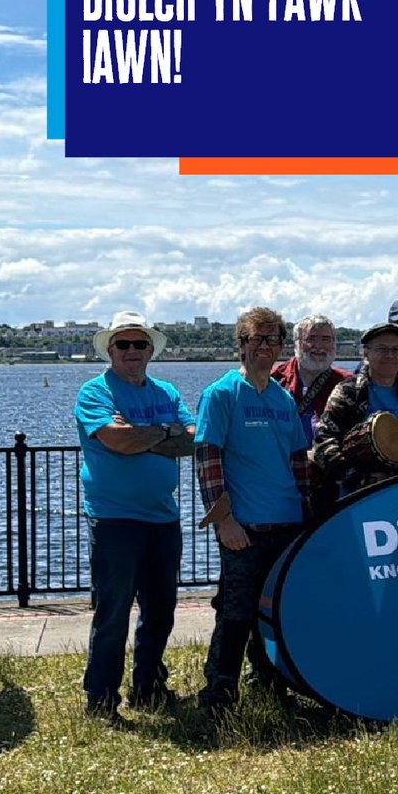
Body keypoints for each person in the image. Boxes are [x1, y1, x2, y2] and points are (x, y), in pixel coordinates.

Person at [74, 311, 196, 722]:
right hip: (114, 520)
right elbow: (117, 441)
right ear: (110, 350)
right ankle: (101, 699)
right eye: (123, 344)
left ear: (150, 351)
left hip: (163, 518)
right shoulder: (95, 393)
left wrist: (148, 434)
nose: (131, 351)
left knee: (161, 610)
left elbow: (193, 440)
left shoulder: (166, 391)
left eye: (139, 344)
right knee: (113, 612)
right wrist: (164, 432)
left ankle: (148, 685)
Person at [194, 307, 311, 711]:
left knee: (275, 614)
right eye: (256, 339)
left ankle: (270, 685)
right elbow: (208, 458)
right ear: (240, 344)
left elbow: (298, 462)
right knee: (235, 613)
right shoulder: (221, 394)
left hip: (286, 523)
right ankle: (218, 693)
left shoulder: (283, 399)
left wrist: (306, 518)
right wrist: (223, 520)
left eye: (273, 339)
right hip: (244, 526)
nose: (266, 347)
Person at [313, 322, 398, 495]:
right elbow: (323, 441)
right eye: (381, 349)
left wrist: (397, 478)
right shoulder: (347, 392)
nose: (389, 355)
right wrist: (360, 479)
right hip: (353, 496)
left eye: (396, 350)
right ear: (366, 352)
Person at [271, 314, 349, 448]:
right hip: (282, 466)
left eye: (326, 339)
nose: (318, 346)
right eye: (310, 339)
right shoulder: (273, 381)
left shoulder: (348, 384)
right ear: (296, 343)